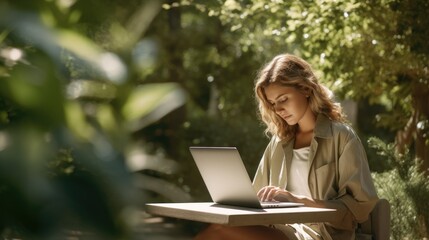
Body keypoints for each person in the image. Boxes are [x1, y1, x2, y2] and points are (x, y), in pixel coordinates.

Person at [194, 53, 378, 240]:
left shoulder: (341, 137)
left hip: (320, 235)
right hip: (282, 231)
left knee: (218, 231)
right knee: (218, 230)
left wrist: (298, 201)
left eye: (283, 99)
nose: (278, 110)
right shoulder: (279, 142)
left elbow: (359, 206)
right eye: (273, 103)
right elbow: (256, 196)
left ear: (306, 89)